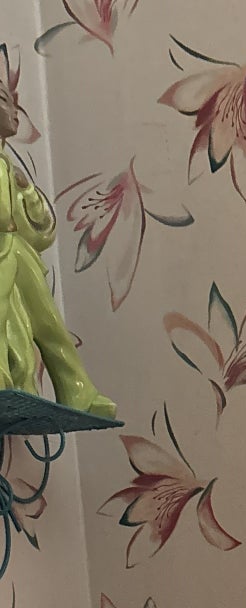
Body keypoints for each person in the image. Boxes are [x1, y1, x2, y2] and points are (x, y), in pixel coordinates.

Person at [0, 74, 115, 417]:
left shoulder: (9, 169)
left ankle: (77, 389)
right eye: (5, 101)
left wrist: (29, 195)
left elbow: (41, 235)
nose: (16, 112)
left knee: (50, 326)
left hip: (14, 252)